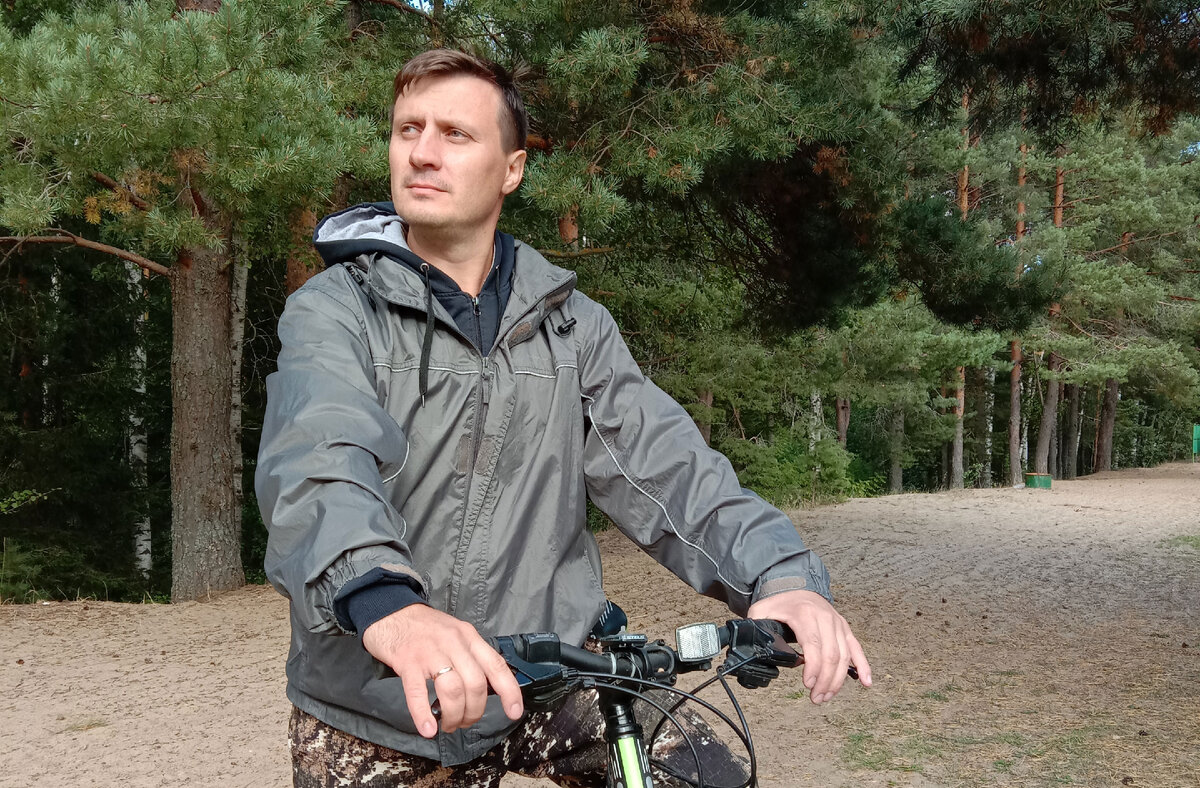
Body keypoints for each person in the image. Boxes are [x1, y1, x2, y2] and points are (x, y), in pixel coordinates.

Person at [257, 48, 871, 786]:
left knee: (706, 775)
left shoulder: (572, 327)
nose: (422, 152)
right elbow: (318, 460)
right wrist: (386, 605)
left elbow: (666, 469)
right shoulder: (336, 309)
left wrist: (778, 575)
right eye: (408, 129)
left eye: (455, 134)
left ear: (511, 169)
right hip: (385, 693)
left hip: (554, 668)